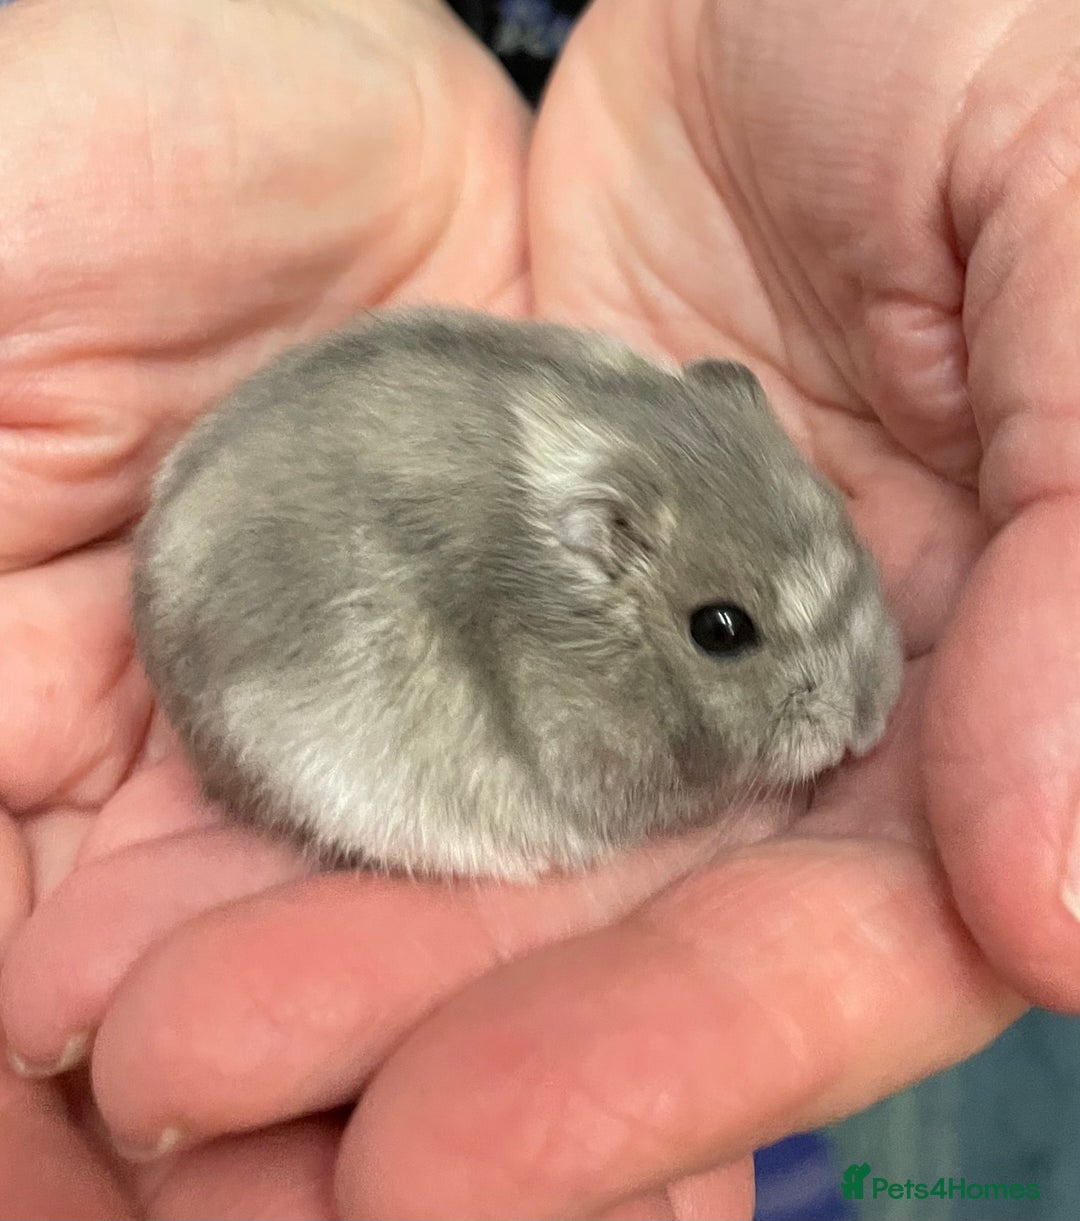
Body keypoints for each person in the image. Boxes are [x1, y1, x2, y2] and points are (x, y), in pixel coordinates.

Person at [1, 0, 1078, 1215]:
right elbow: (568, 751)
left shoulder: (680, 444)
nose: (862, 701)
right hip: (274, 626)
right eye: (726, 632)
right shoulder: (573, 585)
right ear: (609, 547)